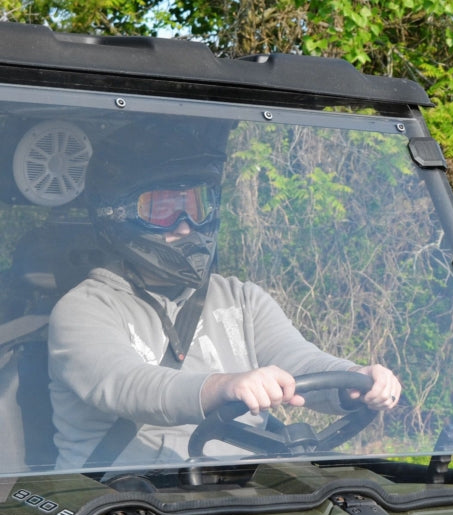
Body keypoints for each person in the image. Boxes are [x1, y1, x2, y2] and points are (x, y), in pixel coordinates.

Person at [48, 118, 401, 469]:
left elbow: (299, 362)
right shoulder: (83, 309)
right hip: (111, 500)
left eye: (197, 205)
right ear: (118, 214)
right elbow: (128, 384)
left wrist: (355, 378)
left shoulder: (242, 299)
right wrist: (224, 387)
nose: (186, 225)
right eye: (163, 209)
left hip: (233, 494)